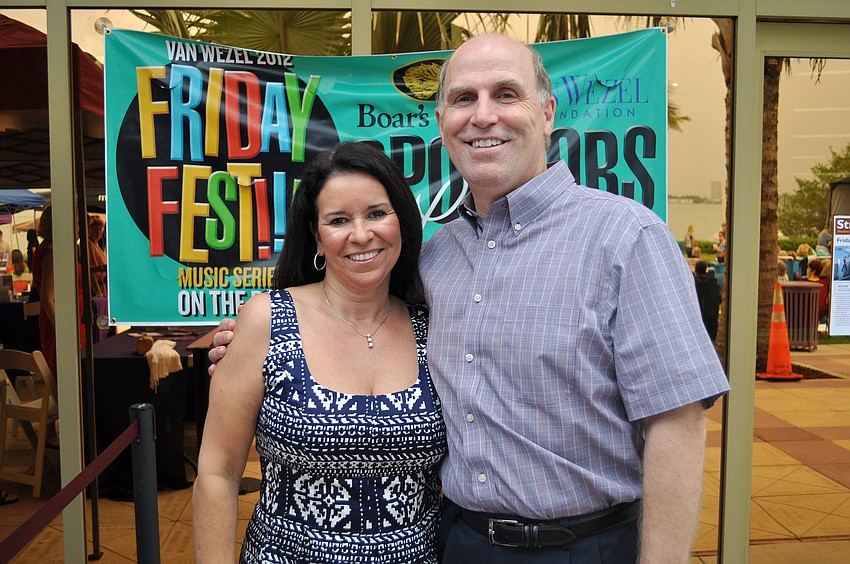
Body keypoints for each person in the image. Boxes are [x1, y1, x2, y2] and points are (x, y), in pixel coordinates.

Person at [210, 35, 729, 563]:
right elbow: (343, 321)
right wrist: (250, 342)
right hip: (459, 544)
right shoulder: (435, 260)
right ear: (441, 124)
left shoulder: (626, 237)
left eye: (506, 94)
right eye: (463, 99)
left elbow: (678, 422)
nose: (483, 116)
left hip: (586, 546)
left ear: (547, 114)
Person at [193, 142, 447, 563]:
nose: (361, 234)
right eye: (339, 220)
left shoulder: (432, 325)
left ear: (402, 219)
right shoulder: (267, 321)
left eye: (377, 213)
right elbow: (217, 473)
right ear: (316, 234)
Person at [31, 206, 85, 379]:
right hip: (62, 321)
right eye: (76, 222)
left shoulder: (52, 250)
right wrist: (65, 331)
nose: (78, 227)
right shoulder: (51, 254)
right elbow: (48, 299)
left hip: (66, 319)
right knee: (67, 372)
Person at [693, 260, 721, 341]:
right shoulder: (713, 285)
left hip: (698, 324)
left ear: (695, 270)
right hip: (711, 325)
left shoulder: (694, 285)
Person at [87, 215, 107, 296]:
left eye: (100, 229)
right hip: (96, 287)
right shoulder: (89, 244)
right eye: (96, 229)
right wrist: (98, 292)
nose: (99, 232)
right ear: (89, 230)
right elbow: (90, 271)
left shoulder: (97, 244)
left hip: (102, 285)